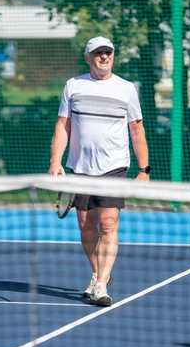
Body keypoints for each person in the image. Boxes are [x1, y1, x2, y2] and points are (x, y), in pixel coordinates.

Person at [48, 36, 150, 306]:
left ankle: (102, 284)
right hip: (80, 167)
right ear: (88, 57)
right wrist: (55, 162)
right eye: (98, 53)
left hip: (114, 166)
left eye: (108, 52)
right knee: (86, 226)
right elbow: (63, 125)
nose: (104, 57)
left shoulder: (126, 89)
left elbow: (137, 129)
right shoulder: (73, 86)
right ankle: (97, 273)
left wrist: (144, 169)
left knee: (108, 223)